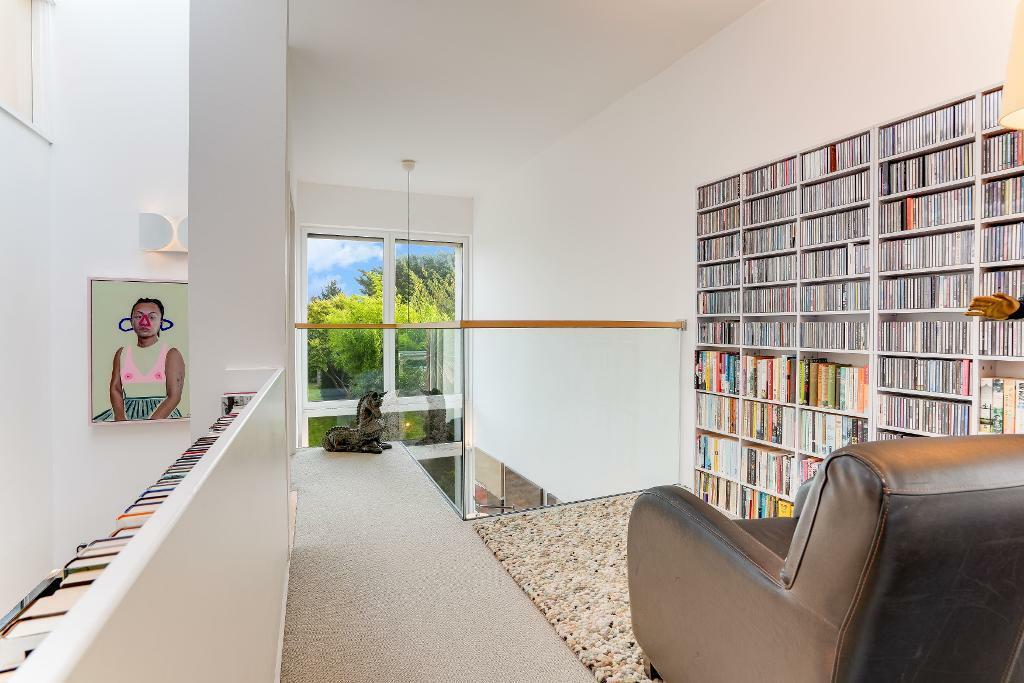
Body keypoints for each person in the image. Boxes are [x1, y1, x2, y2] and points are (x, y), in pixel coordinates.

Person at [94, 298, 185, 421]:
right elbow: (115, 388)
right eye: (138, 317)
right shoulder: (122, 353)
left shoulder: (171, 354)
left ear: (161, 322)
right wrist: (121, 418)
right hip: (126, 417)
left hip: (161, 418)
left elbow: (174, 396)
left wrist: (151, 424)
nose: (144, 322)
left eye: (152, 317)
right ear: (131, 321)